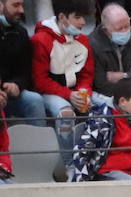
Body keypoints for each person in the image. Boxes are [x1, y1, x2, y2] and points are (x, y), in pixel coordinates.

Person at [31, 0, 97, 161]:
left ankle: (98, 161)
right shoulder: (40, 40)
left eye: (84, 18)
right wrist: (69, 95)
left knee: (105, 106)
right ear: (62, 17)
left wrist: (84, 92)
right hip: (49, 92)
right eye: (78, 17)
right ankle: (70, 164)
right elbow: (40, 81)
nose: (83, 22)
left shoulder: (84, 41)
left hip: (74, 91)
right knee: (65, 113)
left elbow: (87, 75)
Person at [68, 76, 131, 179]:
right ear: (123, 101)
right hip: (108, 172)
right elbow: (82, 150)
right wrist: (81, 181)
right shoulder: (102, 119)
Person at [1, 0, 45, 126]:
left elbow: (26, 71)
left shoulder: (21, 33)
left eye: (22, 5)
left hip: (11, 94)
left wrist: (17, 85)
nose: (21, 10)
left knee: (34, 100)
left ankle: (40, 144)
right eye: (15, 5)